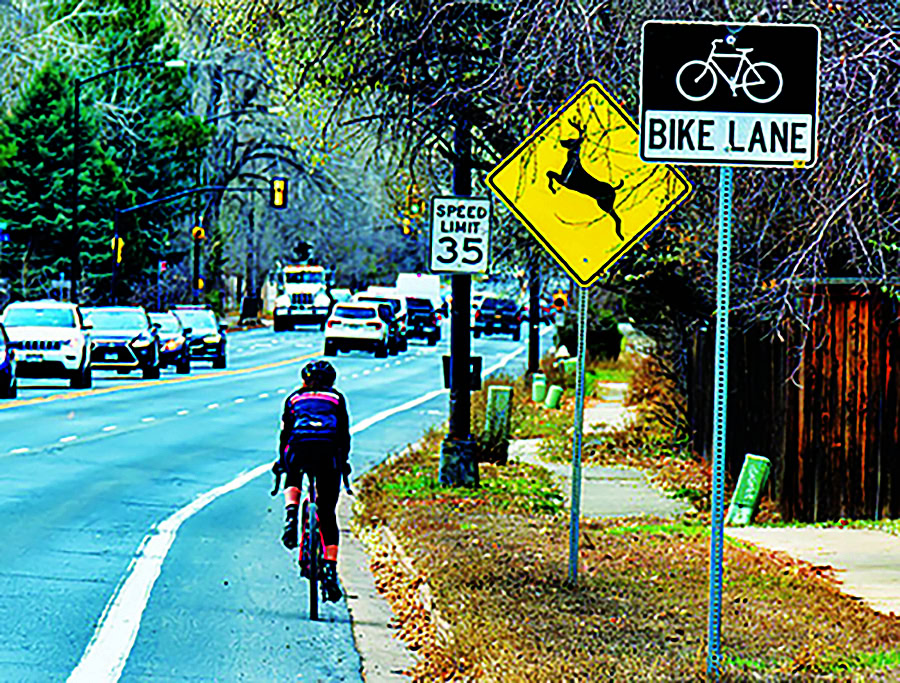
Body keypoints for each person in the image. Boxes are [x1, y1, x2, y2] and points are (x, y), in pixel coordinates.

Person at [273, 359, 351, 603]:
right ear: (332, 382)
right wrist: (343, 462)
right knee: (327, 514)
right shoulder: (337, 399)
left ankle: (291, 513)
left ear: (304, 380)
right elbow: (343, 435)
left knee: (293, 470)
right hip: (328, 453)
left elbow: (285, 434)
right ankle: (329, 567)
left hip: (301, 448)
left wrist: (281, 461)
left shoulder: (294, 399)